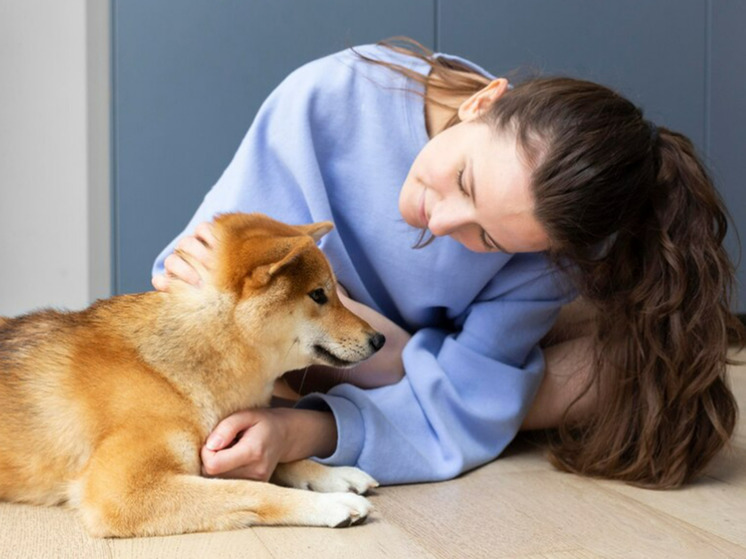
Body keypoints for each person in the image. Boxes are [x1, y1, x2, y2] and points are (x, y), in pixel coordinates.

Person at [151, 38, 743, 489]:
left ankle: (428, 389)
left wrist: (303, 431)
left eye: (485, 235)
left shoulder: (543, 256)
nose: (439, 222)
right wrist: (385, 347)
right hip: (331, 342)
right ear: (484, 103)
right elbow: (201, 279)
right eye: (464, 178)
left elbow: (465, 387)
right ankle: (427, 386)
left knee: (621, 360)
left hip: (401, 348)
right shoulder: (334, 95)